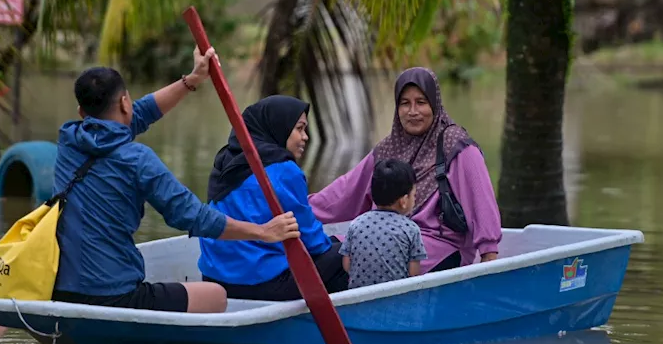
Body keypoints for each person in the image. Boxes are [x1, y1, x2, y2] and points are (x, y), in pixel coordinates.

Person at [51, 47, 300, 315]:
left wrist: (191, 80)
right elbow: (193, 216)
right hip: (114, 296)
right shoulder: (137, 159)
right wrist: (263, 231)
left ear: (80, 112)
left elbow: (139, 115)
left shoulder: (69, 141)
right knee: (216, 295)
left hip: (59, 291)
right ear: (124, 102)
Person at [311, 67, 502, 271]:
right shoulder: (388, 149)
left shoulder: (455, 145)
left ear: (434, 104)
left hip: (438, 246)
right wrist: (296, 211)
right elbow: (344, 193)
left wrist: (488, 255)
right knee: (323, 250)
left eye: (421, 102)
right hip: (382, 237)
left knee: (339, 264)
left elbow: (481, 201)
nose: (413, 112)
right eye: (405, 103)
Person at [197, 95, 349, 300]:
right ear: (280, 127)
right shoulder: (284, 170)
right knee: (349, 252)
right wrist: (338, 246)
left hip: (213, 279)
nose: (305, 137)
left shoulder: (224, 161)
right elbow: (312, 240)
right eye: (300, 128)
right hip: (261, 283)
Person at [340, 158, 428, 290]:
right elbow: (413, 273)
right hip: (395, 300)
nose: (414, 199)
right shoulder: (411, 229)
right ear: (404, 200)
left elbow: (347, 264)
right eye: (413, 195)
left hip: (359, 298)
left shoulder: (356, 223)